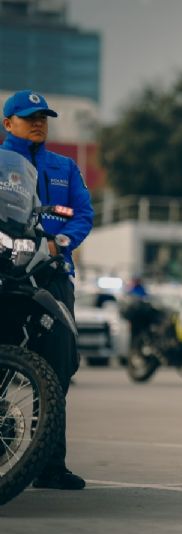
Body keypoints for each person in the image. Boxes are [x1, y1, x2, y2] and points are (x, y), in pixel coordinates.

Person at [2, 89, 94, 490]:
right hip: (5, 263)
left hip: (50, 270)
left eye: (44, 117)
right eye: (29, 116)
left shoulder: (64, 167)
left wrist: (60, 244)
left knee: (59, 360)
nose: (39, 123)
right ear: (8, 123)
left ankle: (50, 464)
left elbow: (84, 214)